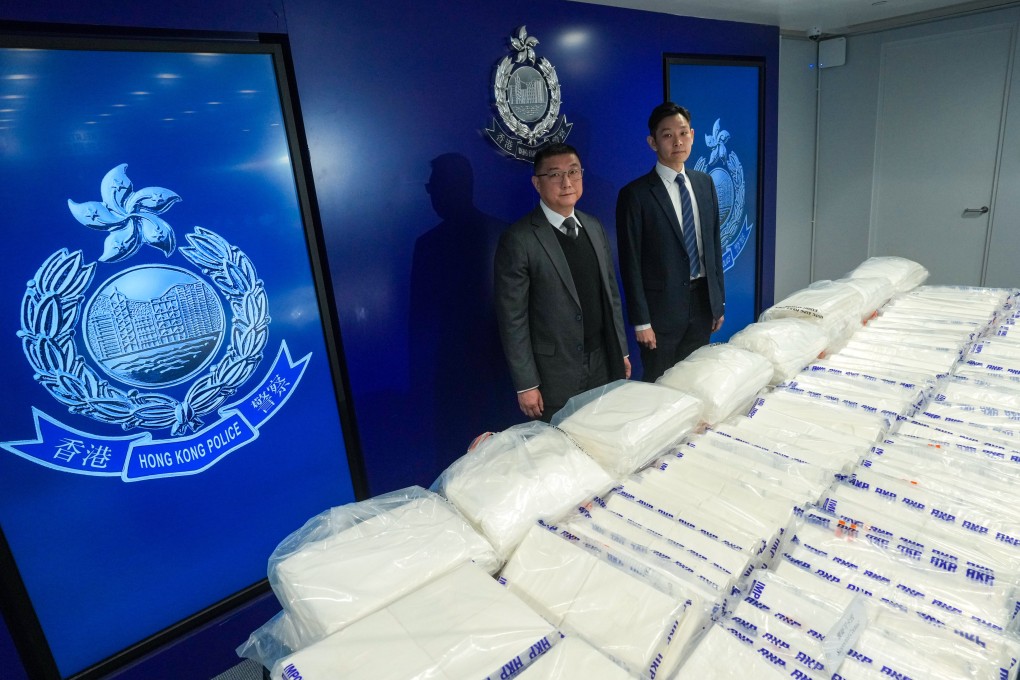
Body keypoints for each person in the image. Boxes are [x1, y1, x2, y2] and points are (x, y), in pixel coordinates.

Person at [495, 142, 631, 422]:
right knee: (562, 453)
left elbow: (611, 296)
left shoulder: (593, 226)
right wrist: (527, 383)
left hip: (603, 361)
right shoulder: (519, 238)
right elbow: (513, 318)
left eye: (574, 172)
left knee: (604, 436)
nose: (566, 182)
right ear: (537, 183)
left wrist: (622, 351)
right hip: (554, 373)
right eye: (555, 174)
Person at [616, 102, 725, 383]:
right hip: (660, 314)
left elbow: (714, 247)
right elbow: (631, 264)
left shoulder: (704, 183)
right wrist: (642, 322)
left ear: (692, 134)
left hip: (702, 304)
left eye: (683, 133)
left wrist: (717, 303)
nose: (677, 141)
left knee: (696, 379)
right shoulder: (636, 194)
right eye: (667, 135)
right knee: (660, 385)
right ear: (652, 142)